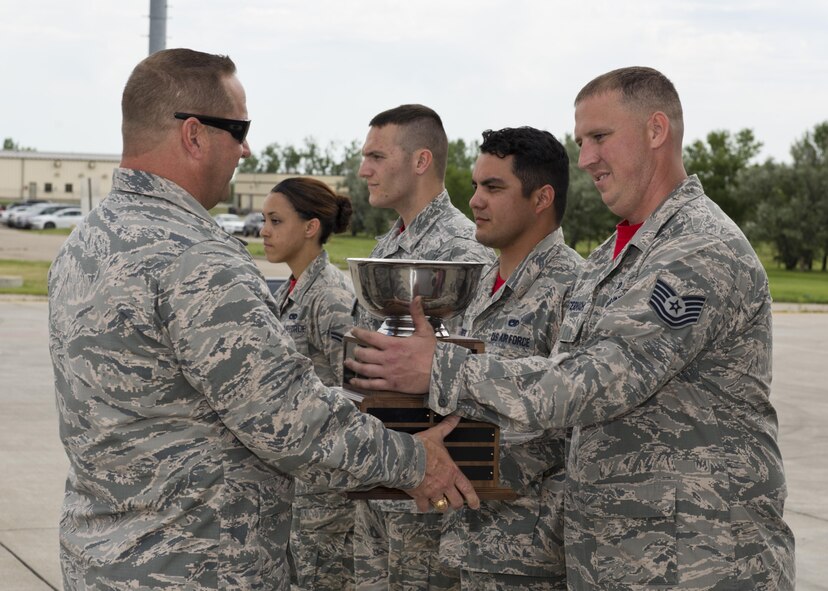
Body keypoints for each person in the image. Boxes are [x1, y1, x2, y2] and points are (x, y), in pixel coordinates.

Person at [346, 66, 795, 590]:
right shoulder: (613, 256)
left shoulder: (699, 250)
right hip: (613, 556)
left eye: (600, 137)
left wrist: (440, 367)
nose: (585, 160)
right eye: (581, 141)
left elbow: (594, 382)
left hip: (699, 559)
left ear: (656, 131)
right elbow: (552, 404)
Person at [47, 48, 479, 591]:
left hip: (102, 561)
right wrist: (417, 461)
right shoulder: (195, 258)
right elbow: (287, 415)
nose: (246, 149)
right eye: (240, 129)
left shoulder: (83, 244)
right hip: (194, 566)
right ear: (195, 134)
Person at [351, 104, 496, 591]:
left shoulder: (465, 252)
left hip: (433, 490)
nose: (363, 169)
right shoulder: (388, 246)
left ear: (420, 161)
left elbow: (478, 376)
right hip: (380, 477)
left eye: (376, 156)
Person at [437, 127, 582, 590]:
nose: (475, 200)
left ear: (542, 198)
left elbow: (570, 423)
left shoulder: (575, 288)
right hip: (467, 538)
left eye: (493, 187)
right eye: (476, 186)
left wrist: (433, 465)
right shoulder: (479, 284)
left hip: (529, 555)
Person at [260, 177, 359, 590]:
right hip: (298, 487)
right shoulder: (291, 289)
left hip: (327, 498)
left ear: (310, 227)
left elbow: (356, 393)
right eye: (264, 219)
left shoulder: (331, 296)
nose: (264, 230)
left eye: (275, 220)